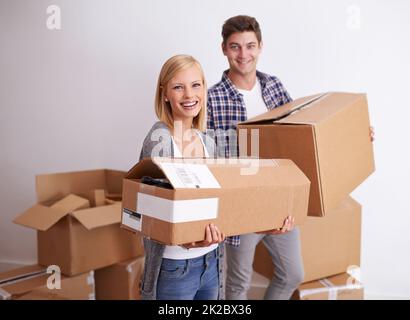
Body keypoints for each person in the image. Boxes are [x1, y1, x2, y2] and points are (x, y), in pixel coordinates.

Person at [207, 15, 303, 300]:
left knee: (292, 274)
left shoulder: (274, 85)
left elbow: (301, 134)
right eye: (235, 47)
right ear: (224, 49)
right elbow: (207, 157)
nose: (243, 55)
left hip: (278, 199)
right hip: (241, 205)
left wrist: (353, 134)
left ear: (260, 46)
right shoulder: (212, 98)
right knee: (236, 287)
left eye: (250, 46)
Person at [139, 54, 225, 300]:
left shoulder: (207, 141)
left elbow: (218, 203)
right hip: (175, 268)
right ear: (165, 93)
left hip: (212, 262)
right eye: (179, 87)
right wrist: (184, 239)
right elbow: (148, 208)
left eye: (195, 85)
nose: (189, 95)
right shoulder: (160, 140)